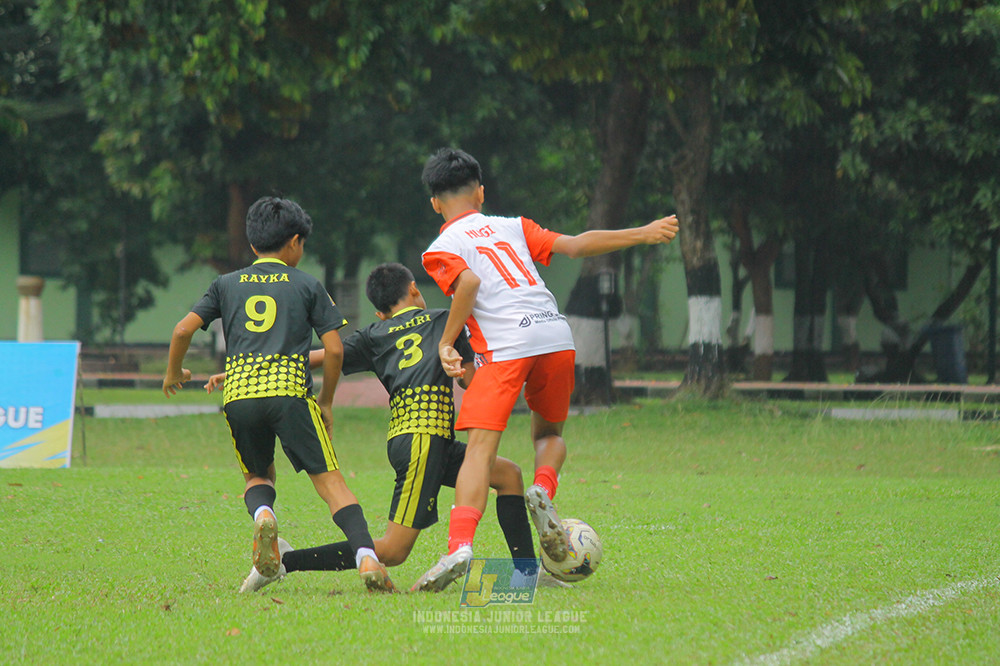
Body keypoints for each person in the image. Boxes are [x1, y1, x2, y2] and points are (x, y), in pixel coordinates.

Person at [412, 147, 679, 591]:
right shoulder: (514, 226)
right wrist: (645, 232)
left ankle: (459, 545)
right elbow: (576, 246)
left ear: (435, 203)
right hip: (555, 335)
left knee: (479, 450)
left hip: (506, 345)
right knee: (550, 435)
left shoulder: (440, 247)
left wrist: (444, 342)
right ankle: (542, 489)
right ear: (480, 192)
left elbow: (470, 285)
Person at [222, 263, 560, 592]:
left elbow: (322, 354)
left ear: (380, 312)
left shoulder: (374, 335)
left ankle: (527, 573)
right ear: (414, 289)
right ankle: (284, 562)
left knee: (508, 475)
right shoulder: (446, 321)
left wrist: (251, 368)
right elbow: (471, 381)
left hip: (422, 439)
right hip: (421, 440)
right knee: (394, 550)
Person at [162, 196, 394, 593]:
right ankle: (366, 557)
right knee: (331, 483)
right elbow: (336, 349)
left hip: (239, 395)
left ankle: (264, 514)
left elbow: (182, 330)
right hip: (289, 395)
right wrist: (326, 400)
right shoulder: (306, 284)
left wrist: (174, 373)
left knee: (257, 475)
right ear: (295, 243)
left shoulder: (225, 283)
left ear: (253, 245)